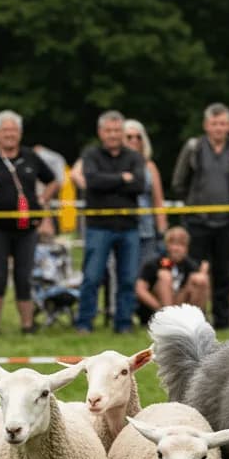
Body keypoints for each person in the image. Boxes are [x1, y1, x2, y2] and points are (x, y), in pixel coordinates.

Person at [172, 102, 229, 330]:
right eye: (214, 123)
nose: (218, 128)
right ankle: (195, 321)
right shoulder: (193, 148)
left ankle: (223, 320)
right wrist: (194, 203)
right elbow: (178, 182)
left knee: (224, 273)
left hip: (227, 222)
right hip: (197, 222)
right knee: (195, 273)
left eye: (223, 123)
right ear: (206, 125)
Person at [0, 109, 57, 335]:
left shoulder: (30, 156)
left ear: (20, 133)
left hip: (27, 228)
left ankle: (27, 325)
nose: (9, 134)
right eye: (5, 130)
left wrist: (43, 199)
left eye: (14, 130)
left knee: (24, 276)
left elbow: (52, 180)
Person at [75, 110, 145, 334]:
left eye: (117, 130)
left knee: (128, 279)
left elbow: (139, 185)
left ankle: (123, 324)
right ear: (100, 132)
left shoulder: (134, 156)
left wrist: (110, 182)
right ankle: (85, 323)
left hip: (128, 227)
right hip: (98, 225)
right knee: (92, 277)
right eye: (109, 130)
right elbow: (92, 182)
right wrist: (122, 179)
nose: (113, 135)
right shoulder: (91, 154)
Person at [134, 226, 208, 325]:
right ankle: (168, 319)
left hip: (179, 303)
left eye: (181, 244)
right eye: (173, 244)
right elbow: (140, 289)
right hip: (156, 309)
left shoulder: (189, 264)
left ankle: (195, 321)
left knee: (200, 279)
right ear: (166, 245)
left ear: (186, 248)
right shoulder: (154, 263)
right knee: (165, 276)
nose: (176, 248)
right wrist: (160, 309)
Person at [121, 119, 168, 264]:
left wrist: (162, 232)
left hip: (146, 230)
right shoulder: (112, 163)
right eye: (129, 137)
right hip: (120, 228)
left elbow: (158, 200)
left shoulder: (150, 166)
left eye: (138, 137)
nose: (134, 140)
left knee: (146, 274)